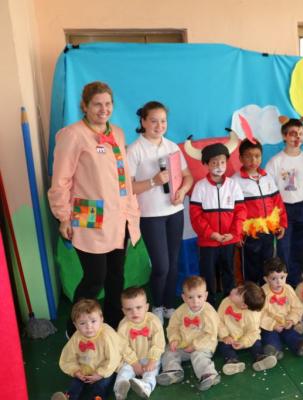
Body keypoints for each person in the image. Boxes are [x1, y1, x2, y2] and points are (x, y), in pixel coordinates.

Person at [48, 81, 141, 333]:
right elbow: (60, 180)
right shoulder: (73, 134)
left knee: (116, 277)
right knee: (94, 279)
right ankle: (75, 327)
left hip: (119, 217)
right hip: (90, 218)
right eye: (97, 104)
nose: (104, 109)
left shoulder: (118, 133)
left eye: (108, 103)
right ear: (85, 106)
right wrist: (63, 217)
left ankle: (110, 325)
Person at [127, 101, 193, 324]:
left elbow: (188, 176)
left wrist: (183, 190)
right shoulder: (135, 150)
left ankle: (168, 305)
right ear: (143, 122)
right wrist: (154, 182)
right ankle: (155, 305)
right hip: (150, 215)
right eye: (153, 120)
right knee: (161, 265)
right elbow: (128, 188)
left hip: (174, 211)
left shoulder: (172, 147)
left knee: (173, 263)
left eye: (163, 121)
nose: (159, 125)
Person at [189, 143, 246, 305]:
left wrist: (234, 233)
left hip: (229, 239)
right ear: (206, 165)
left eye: (222, 162)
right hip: (208, 241)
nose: (219, 166)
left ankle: (230, 301)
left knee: (229, 270)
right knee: (208, 273)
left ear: (227, 163)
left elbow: (241, 212)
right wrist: (211, 234)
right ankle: (209, 302)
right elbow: (196, 216)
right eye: (214, 162)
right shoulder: (200, 187)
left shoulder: (234, 185)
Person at [265, 116, 303, 286]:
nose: (297, 138)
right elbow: (268, 192)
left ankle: (296, 280)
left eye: (301, 134)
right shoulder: (275, 162)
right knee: (284, 248)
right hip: (282, 209)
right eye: (293, 134)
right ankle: (283, 283)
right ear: (284, 136)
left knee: (301, 247)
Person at [233, 139, 287, 285]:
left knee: (268, 264)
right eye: (248, 156)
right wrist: (237, 232)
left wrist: (282, 223)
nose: (253, 160)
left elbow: (277, 202)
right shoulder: (235, 181)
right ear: (241, 158)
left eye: (257, 156)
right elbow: (234, 211)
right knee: (250, 264)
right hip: (249, 234)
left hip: (268, 231)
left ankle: (266, 293)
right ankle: (251, 293)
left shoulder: (267, 177)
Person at [157, 276, 220, 391]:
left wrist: (195, 345)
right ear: (184, 297)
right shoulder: (181, 310)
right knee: (169, 351)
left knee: (199, 356)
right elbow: (173, 326)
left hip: (202, 345)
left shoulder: (208, 312)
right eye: (190, 297)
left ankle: (208, 374)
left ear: (205, 296)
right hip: (184, 344)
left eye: (199, 296)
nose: (195, 301)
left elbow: (211, 334)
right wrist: (174, 339)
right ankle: (173, 371)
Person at [52, 299, 124, 400]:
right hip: (85, 369)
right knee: (75, 383)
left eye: (93, 321)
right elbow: (68, 357)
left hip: (105, 368)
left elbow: (113, 358)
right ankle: (68, 396)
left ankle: (97, 397)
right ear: (76, 325)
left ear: (101, 319)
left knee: (102, 384)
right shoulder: (77, 338)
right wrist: (76, 371)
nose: (89, 327)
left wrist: (99, 374)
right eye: (82, 323)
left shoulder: (106, 335)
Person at [113, 287, 165, 400]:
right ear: (123, 311)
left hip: (149, 356)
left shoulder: (154, 321)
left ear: (146, 307)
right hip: (131, 359)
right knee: (124, 370)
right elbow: (123, 347)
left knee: (152, 371)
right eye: (129, 309)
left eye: (138, 307)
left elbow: (158, 343)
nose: (134, 312)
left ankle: (146, 386)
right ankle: (120, 388)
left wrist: (152, 360)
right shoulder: (123, 326)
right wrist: (134, 363)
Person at [260, 257, 303, 360]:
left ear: (286, 276)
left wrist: (291, 320)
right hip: (270, 325)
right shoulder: (263, 293)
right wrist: (273, 325)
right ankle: (274, 351)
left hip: (286, 322)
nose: (279, 282)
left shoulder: (288, 289)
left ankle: (300, 345)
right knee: (270, 337)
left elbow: (297, 307)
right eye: (274, 279)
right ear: (266, 279)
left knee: (291, 334)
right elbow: (259, 314)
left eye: (282, 277)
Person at [216, 282, 278, 375]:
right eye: (237, 288)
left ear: (244, 305)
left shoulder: (252, 316)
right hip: (229, 336)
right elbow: (218, 320)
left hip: (247, 337)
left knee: (256, 343)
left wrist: (243, 342)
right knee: (224, 346)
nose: (233, 290)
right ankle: (232, 361)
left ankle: (260, 357)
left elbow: (253, 332)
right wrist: (225, 336)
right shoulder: (226, 301)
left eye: (237, 293)